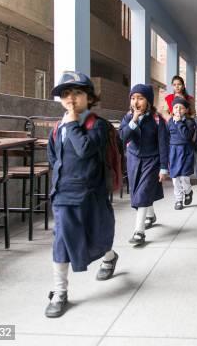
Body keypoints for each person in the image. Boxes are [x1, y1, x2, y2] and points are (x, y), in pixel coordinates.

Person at [45, 71, 117, 318]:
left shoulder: (97, 125)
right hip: (63, 195)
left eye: (77, 93)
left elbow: (85, 150)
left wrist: (74, 124)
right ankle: (60, 291)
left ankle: (109, 255)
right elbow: (54, 158)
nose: (71, 99)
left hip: (90, 194)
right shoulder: (57, 128)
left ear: (89, 97)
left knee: (96, 235)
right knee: (62, 241)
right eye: (66, 94)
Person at [119, 84, 169, 246]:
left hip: (151, 160)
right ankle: (150, 215)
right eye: (133, 98)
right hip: (133, 159)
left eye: (140, 98)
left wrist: (163, 167)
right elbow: (123, 138)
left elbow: (163, 145)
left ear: (148, 101)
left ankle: (139, 232)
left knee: (142, 192)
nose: (136, 102)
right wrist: (133, 120)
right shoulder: (128, 118)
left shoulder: (157, 120)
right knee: (139, 191)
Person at [167, 96, 195, 210]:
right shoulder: (169, 122)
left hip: (186, 152)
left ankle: (188, 191)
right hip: (173, 152)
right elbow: (167, 137)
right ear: (172, 109)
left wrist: (179, 123)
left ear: (186, 110)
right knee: (175, 178)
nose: (178, 109)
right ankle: (178, 200)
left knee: (184, 177)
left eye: (181, 108)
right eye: (176, 107)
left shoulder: (189, 122)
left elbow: (187, 136)